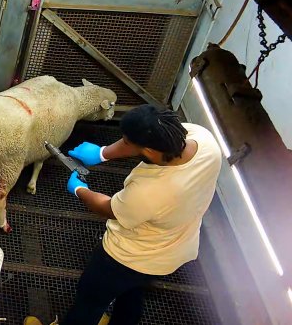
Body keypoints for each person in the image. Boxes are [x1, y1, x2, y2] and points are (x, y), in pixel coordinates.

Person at [25, 105, 223, 325]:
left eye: (127, 143)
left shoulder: (150, 191)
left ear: (147, 151)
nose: (124, 144)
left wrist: (80, 190)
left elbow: (109, 208)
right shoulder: (205, 142)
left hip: (127, 257)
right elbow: (141, 140)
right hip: (172, 253)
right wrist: (102, 153)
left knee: (90, 300)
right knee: (131, 295)